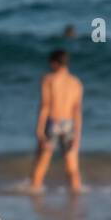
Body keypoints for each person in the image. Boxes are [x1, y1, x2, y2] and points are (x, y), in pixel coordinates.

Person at [29, 50, 83, 195]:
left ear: (54, 63)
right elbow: (77, 111)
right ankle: (76, 199)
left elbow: (45, 105)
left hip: (53, 122)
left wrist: (39, 130)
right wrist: (78, 137)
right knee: (72, 168)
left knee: (41, 165)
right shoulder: (76, 83)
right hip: (69, 125)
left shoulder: (48, 79)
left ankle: (34, 195)